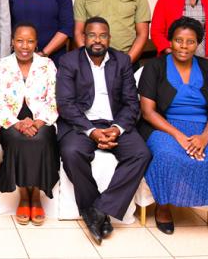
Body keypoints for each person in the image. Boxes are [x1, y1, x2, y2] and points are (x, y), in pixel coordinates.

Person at [138, 17, 208, 238]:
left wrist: (204, 137)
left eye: (190, 42)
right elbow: (148, 112)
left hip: (203, 127)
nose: (184, 46)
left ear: (198, 43)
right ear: (170, 41)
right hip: (164, 126)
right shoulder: (154, 67)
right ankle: (164, 207)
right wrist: (178, 136)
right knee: (167, 156)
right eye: (178, 40)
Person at [56, 17, 151, 245]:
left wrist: (117, 129)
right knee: (71, 153)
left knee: (141, 154)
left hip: (115, 123)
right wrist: (92, 132)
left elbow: (131, 103)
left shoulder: (122, 61)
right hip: (82, 125)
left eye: (102, 35)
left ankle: (97, 210)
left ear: (109, 38)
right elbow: (66, 104)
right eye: (92, 35)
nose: (97, 40)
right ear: (84, 37)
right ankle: (96, 209)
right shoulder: (70, 61)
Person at [0, 22, 60, 226]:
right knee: (15, 138)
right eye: (20, 41)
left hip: (41, 118)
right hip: (11, 119)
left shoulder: (47, 65)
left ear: (37, 43)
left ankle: (36, 196)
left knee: (42, 138)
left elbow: (54, 99)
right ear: (12, 42)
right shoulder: (1, 65)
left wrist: (37, 123)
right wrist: (17, 123)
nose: (25, 46)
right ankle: (23, 196)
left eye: (30, 41)